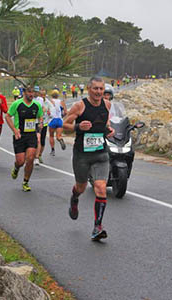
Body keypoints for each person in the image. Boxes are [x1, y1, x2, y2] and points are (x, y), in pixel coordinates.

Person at [63, 76, 115, 241]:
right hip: (82, 155)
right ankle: (75, 197)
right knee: (81, 186)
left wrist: (109, 131)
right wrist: (78, 126)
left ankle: (97, 227)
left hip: (101, 153)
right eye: (95, 89)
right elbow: (65, 125)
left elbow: (104, 125)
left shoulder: (107, 104)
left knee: (100, 187)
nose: (99, 92)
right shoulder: (79, 106)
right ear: (89, 89)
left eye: (101, 89)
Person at [6, 86, 43, 192]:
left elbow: (40, 116)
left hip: (31, 135)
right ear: (24, 92)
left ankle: (26, 181)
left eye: (33, 92)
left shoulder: (37, 105)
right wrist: (14, 130)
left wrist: (40, 124)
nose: (31, 94)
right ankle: (16, 168)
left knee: (30, 158)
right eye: (29, 92)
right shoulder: (17, 104)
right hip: (20, 136)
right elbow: (7, 116)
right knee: (20, 161)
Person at [34, 88, 51, 164]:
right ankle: (36, 156)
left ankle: (39, 155)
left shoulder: (47, 102)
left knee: (42, 141)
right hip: (35, 122)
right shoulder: (36, 100)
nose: (42, 96)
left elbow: (52, 111)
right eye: (41, 94)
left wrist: (49, 112)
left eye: (44, 94)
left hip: (44, 122)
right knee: (37, 139)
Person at [48, 90, 67, 156]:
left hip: (52, 120)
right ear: (58, 95)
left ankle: (53, 150)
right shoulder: (61, 102)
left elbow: (47, 110)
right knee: (58, 136)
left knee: (51, 136)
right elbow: (65, 112)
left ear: (51, 95)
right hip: (59, 120)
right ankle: (60, 139)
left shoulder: (50, 101)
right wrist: (62, 117)